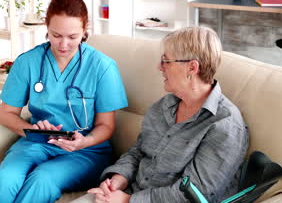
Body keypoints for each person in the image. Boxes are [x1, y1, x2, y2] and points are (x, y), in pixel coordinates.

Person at [0, 0, 128, 203]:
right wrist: (32, 130)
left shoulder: (102, 67)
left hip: (86, 151)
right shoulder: (28, 62)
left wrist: (84, 141)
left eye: (73, 37)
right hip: (36, 142)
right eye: (56, 35)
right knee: (4, 179)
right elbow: (7, 114)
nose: (63, 45)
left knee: (42, 180)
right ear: (47, 27)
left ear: (85, 30)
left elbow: (106, 126)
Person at [83, 26, 249, 203]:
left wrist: (128, 201)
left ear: (192, 67)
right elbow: (138, 152)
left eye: (166, 61)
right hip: (129, 193)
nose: (159, 67)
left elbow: (196, 193)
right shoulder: (163, 106)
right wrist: (117, 179)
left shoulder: (225, 125)